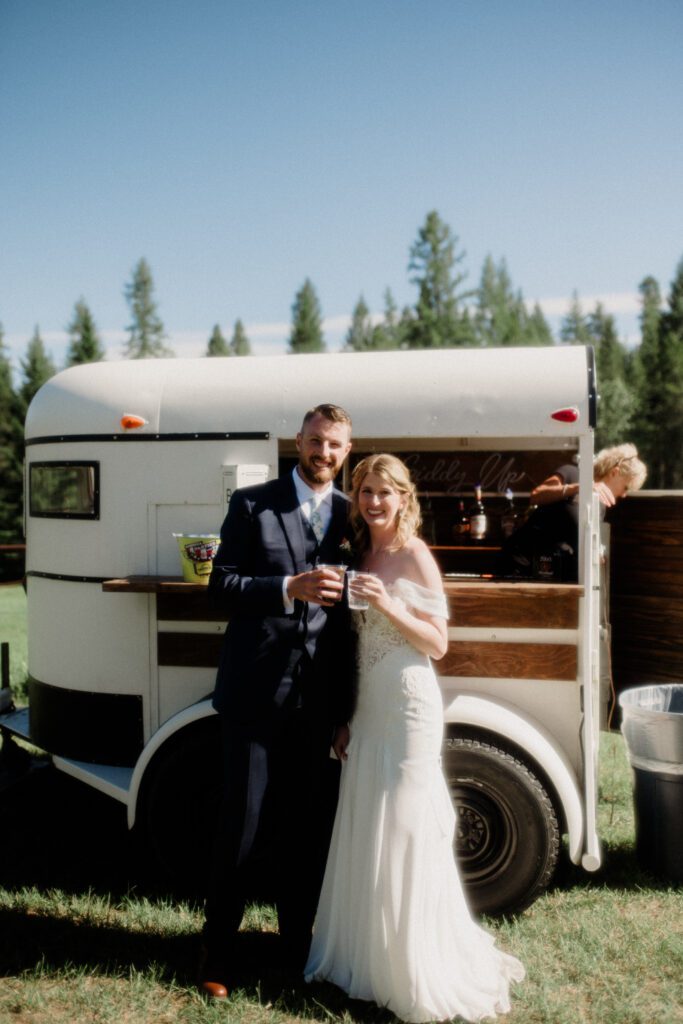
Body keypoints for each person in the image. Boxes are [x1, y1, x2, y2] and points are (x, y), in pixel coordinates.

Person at [305, 454, 524, 1023]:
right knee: (365, 823)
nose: (374, 502)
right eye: (366, 491)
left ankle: (411, 964)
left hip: (409, 706)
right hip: (371, 706)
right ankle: (364, 960)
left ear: (405, 497)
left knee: (404, 826)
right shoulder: (362, 553)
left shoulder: (414, 555)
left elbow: (437, 642)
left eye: (384, 492)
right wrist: (347, 715)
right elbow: (353, 647)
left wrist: (387, 603)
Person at [199, 403, 355, 1000]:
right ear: (298, 441)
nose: (324, 453)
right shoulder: (252, 503)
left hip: (315, 705)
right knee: (241, 826)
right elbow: (222, 585)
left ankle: (296, 950)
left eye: (335, 445)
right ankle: (218, 951)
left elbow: (346, 628)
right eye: (316, 441)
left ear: (348, 449)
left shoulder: (351, 514)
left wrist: (342, 709)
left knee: (306, 829)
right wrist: (287, 587)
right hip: (254, 695)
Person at [502, 443, 647, 581]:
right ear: (614, 473)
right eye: (626, 487)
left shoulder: (600, 506)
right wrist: (580, 487)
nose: (624, 495)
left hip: (551, 574)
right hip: (520, 564)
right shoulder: (572, 473)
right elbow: (536, 495)